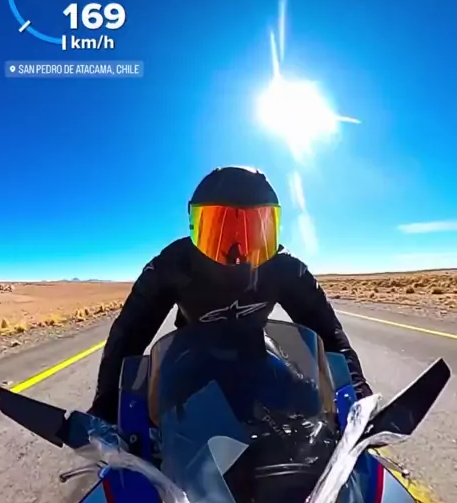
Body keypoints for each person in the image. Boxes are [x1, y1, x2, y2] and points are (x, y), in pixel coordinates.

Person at [91, 166, 372, 424]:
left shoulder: (286, 267)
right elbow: (129, 333)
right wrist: (107, 406)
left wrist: (357, 394)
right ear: (194, 225)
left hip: (257, 355)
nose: (236, 251)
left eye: (252, 230)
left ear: (271, 228)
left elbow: (327, 331)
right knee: (155, 427)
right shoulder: (172, 264)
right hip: (188, 362)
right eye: (220, 229)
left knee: (309, 403)